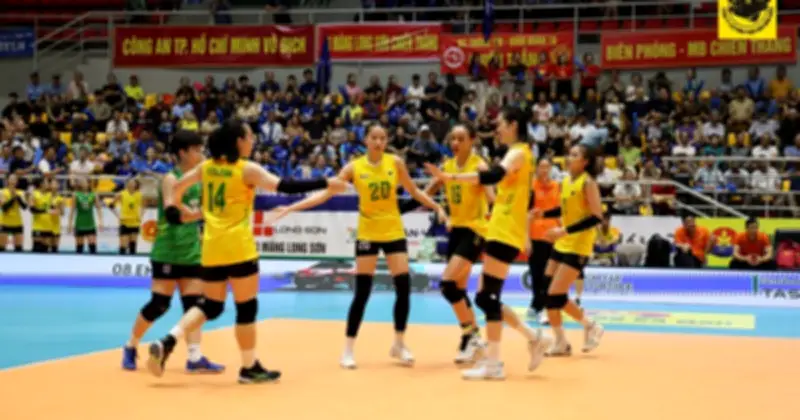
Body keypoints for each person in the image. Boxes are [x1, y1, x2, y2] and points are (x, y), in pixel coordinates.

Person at [146, 119, 346, 383]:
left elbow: (176, 187)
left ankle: (168, 340)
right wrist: (326, 182)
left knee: (211, 305)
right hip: (239, 248)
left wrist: (177, 208)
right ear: (238, 141)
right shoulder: (246, 169)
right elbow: (285, 186)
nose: (253, 141)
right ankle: (249, 367)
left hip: (212, 249)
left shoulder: (206, 167)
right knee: (246, 308)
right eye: (250, 136)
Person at [267, 123, 447, 370]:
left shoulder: (395, 163)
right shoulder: (354, 167)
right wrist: (290, 208)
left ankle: (399, 343)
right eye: (374, 137)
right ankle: (348, 349)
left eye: (383, 138)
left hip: (393, 230)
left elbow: (414, 191)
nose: (379, 142)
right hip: (368, 232)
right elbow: (326, 194)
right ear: (366, 140)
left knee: (403, 288)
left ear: (387, 141)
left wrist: (437, 206)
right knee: (362, 292)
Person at [426, 106, 552, 380]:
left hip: (505, 230)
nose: (497, 128)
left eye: (501, 123)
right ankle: (531, 339)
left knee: (487, 297)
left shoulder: (518, 153)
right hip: (500, 228)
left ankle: (497, 362)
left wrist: (451, 178)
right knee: (486, 297)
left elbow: (493, 176)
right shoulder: (520, 153)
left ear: (514, 125)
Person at [122, 131, 224, 373]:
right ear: (183, 152)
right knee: (159, 304)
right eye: (196, 149)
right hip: (167, 249)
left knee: (194, 306)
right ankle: (131, 345)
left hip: (191, 251)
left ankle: (194, 357)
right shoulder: (171, 178)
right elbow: (172, 212)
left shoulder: (200, 180)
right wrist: (196, 214)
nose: (201, 153)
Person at [403, 123, 494, 364]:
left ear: (472, 140)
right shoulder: (447, 166)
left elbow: (493, 199)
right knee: (458, 289)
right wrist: (400, 208)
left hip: (475, 231)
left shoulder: (479, 166)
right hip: (456, 230)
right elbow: (425, 194)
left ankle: (470, 334)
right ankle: (472, 338)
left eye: (461, 139)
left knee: (447, 284)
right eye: (453, 138)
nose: (455, 143)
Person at [535, 143, 605, 356]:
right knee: (546, 291)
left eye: (575, 155)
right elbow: (564, 210)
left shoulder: (588, 182)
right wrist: (543, 214)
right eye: (569, 153)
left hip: (578, 244)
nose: (569, 157)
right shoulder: (565, 181)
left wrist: (564, 230)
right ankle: (561, 342)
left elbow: (596, 217)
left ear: (585, 162)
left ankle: (591, 325)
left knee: (555, 294)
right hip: (563, 241)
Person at [526, 158, 560, 324]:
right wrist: (526, 239)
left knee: (550, 274)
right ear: (536, 169)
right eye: (542, 167)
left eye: (547, 167)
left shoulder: (556, 186)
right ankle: (538, 305)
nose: (545, 170)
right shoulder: (531, 187)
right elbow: (527, 214)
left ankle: (542, 306)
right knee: (536, 273)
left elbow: (559, 211)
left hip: (553, 236)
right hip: (536, 236)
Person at [68, 178, 103, 254]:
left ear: (89, 183)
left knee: (92, 248)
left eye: (85, 181)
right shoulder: (76, 194)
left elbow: (99, 209)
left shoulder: (93, 195)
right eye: (81, 182)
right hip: (79, 224)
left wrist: (101, 221)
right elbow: (72, 210)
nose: (83, 183)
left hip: (90, 224)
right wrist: (70, 224)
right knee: (79, 249)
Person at [112, 179, 143, 254]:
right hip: (124, 222)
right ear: (126, 184)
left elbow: (144, 206)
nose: (131, 184)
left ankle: (133, 259)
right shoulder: (121, 194)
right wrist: (118, 215)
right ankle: (121, 259)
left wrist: (141, 215)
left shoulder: (139, 194)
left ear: (136, 185)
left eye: (133, 183)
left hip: (135, 223)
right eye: (129, 183)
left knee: (133, 246)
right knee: (123, 246)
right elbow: (111, 205)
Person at [0, 174, 26, 252]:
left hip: (17, 222)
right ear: (7, 180)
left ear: (17, 182)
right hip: (5, 222)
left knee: (18, 248)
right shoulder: (2, 192)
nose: (13, 181)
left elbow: (24, 207)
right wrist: (13, 198)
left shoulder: (20, 192)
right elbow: (4, 208)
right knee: (2, 248)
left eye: (15, 179)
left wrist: (17, 197)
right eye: (11, 179)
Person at [29, 178, 53, 253]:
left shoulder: (49, 195)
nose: (48, 184)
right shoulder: (34, 194)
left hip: (48, 226)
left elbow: (52, 208)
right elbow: (32, 210)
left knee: (45, 251)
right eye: (46, 182)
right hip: (38, 226)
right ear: (41, 184)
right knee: (37, 249)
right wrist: (45, 211)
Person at [48, 178, 65, 253]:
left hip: (55, 225)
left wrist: (56, 211)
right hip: (46, 225)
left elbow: (62, 213)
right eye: (52, 184)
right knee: (45, 248)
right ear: (49, 185)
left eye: (55, 184)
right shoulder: (46, 196)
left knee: (54, 249)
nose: (54, 186)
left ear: (58, 186)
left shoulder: (60, 198)